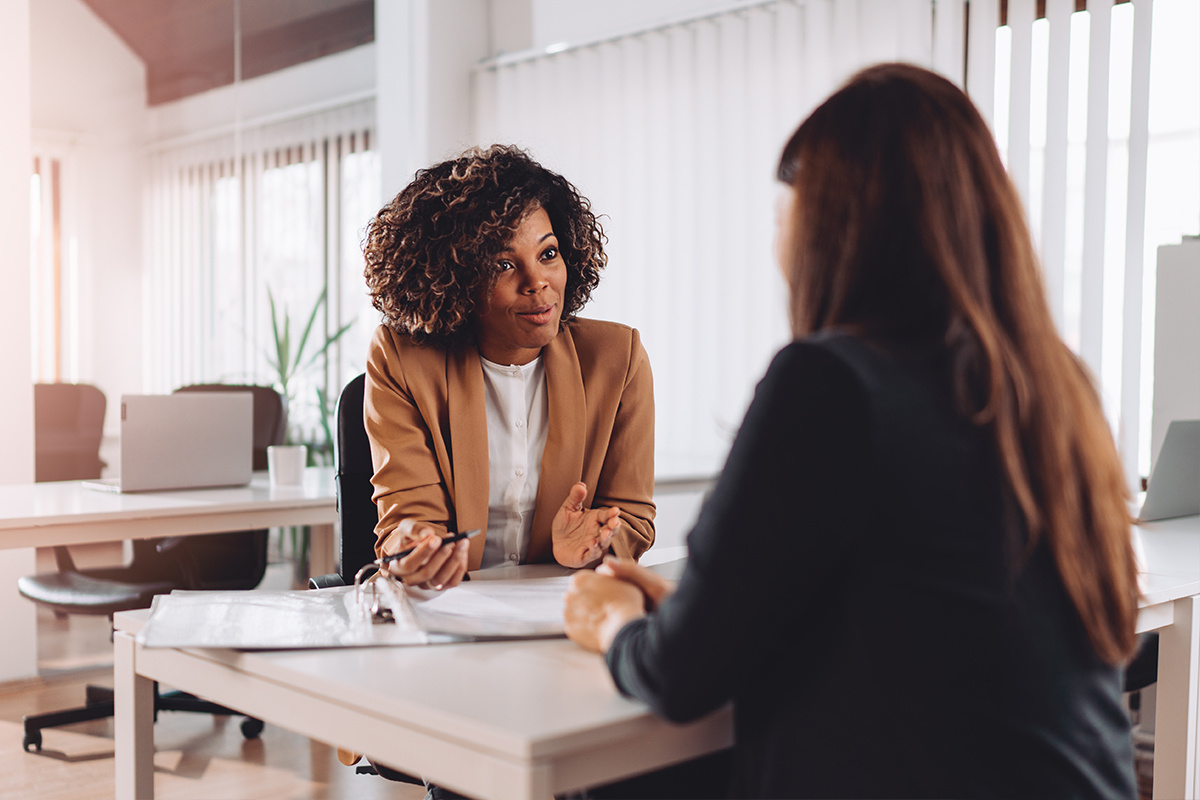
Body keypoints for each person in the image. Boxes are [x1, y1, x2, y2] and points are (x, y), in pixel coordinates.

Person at [564, 63, 1140, 799]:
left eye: (784, 213)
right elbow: (910, 614)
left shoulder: (829, 383)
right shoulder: (1056, 384)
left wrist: (614, 623)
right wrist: (689, 612)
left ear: (835, 225)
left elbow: (678, 676)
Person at [362, 143, 655, 588]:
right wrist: (415, 546)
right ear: (454, 279)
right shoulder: (402, 359)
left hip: (561, 611)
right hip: (449, 610)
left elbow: (631, 516)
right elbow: (407, 517)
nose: (536, 281)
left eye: (548, 254)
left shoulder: (618, 358)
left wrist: (594, 545)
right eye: (503, 264)